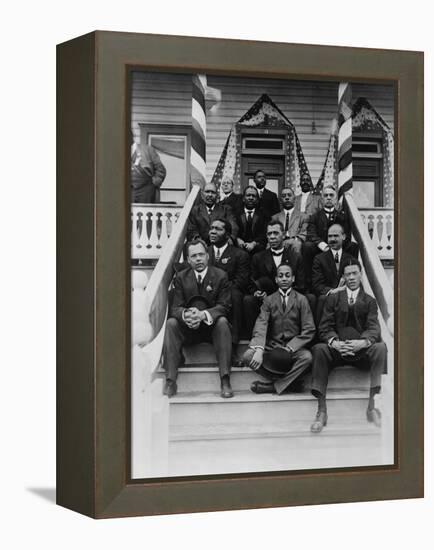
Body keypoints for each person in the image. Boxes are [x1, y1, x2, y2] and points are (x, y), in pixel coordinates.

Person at [310, 259, 387, 433]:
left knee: (381, 348)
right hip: (338, 350)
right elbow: (325, 327)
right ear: (343, 277)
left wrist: (363, 342)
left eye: (355, 273)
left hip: (361, 351)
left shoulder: (369, 301)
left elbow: (374, 327)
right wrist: (334, 343)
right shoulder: (333, 298)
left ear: (361, 275)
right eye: (348, 274)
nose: (351, 277)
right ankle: (321, 410)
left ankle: (372, 406)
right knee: (319, 349)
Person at [162, 239, 234, 398]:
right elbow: (175, 308)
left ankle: (225, 379)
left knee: (222, 322)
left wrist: (203, 315)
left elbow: (224, 306)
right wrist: (186, 315)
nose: (198, 259)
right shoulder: (181, 277)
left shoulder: (221, 276)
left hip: (211, 328)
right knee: (171, 323)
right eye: (194, 256)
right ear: (188, 260)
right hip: (188, 328)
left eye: (201, 254)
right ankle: (170, 380)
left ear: (208, 256)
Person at [242, 263, 315, 394]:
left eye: (288, 275)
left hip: (293, 348)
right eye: (280, 276)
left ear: (293, 278)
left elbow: (309, 329)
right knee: (248, 356)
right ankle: (289, 384)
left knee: (307, 357)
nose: (284, 279)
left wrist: (291, 347)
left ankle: (274, 386)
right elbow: (261, 323)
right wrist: (259, 349)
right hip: (273, 346)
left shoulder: (302, 300)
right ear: (276, 280)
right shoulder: (269, 300)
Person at [243, 220, 309, 338]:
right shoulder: (258, 257)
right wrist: (257, 293)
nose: (272, 237)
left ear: (283, 235)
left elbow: (301, 284)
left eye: (275, 233)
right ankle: (255, 340)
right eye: (269, 234)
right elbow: (251, 283)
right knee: (248, 300)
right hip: (265, 298)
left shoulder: (295, 257)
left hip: (289, 296)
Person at [208, 218, 250, 366]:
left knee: (235, 295)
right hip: (205, 294)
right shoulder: (203, 254)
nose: (213, 231)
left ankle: (232, 347)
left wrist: (221, 291)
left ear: (227, 235)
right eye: (212, 228)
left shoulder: (240, 254)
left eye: (218, 229)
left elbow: (241, 280)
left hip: (228, 294)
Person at [303, 185, 359, 289]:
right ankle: (308, 283)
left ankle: (350, 278)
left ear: (336, 199)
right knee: (307, 246)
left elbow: (346, 236)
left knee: (353, 246)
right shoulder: (315, 216)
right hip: (320, 249)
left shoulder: (342, 216)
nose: (328, 197)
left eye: (331, 195)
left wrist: (336, 245)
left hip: (339, 248)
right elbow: (311, 234)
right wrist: (324, 246)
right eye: (326, 195)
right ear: (322, 199)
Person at [312, 224, 356, 322]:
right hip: (328, 295)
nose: (332, 239)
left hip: (346, 294)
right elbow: (317, 284)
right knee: (322, 299)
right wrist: (332, 291)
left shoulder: (351, 259)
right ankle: (321, 334)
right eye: (330, 236)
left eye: (336, 236)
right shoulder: (319, 259)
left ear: (343, 237)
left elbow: (355, 281)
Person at [271, 187, 309, 255]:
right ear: (280, 200)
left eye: (289, 195)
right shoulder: (275, 218)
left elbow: (304, 233)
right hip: (279, 242)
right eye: (284, 196)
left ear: (294, 198)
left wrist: (294, 240)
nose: (287, 198)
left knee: (297, 245)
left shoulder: (303, 216)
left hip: (295, 242)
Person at [236, 185, 270, 255]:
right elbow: (232, 230)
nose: (251, 198)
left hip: (258, 249)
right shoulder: (236, 213)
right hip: (239, 248)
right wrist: (237, 239)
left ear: (257, 199)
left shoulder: (264, 214)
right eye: (248, 195)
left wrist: (254, 243)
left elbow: (265, 233)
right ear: (243, 198)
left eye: (253, 196)